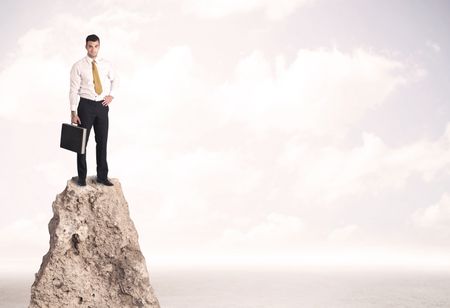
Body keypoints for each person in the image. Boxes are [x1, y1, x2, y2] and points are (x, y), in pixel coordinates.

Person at [69, 34, 118, 186]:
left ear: (99, 46)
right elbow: (73, 89)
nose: (93, 49)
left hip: (102, 106)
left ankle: (102, 176)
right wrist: (73, 111)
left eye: (96, 46)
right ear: (86, 46)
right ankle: (82, 178)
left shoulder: (106, 64)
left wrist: (111, 95)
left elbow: (115, 80)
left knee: (102, 142)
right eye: (90, 46)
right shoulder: (78, 66)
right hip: (85, 106)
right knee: (81, 143)